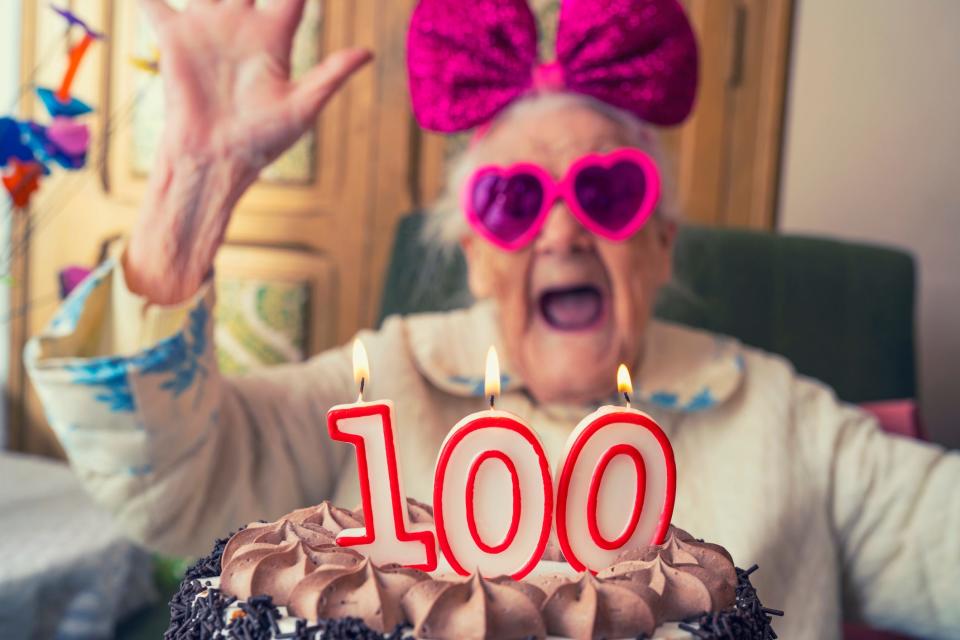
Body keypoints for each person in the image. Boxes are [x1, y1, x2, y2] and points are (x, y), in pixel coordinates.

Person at [24, 0, 959, 638]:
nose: (561, 227)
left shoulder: (784, 414)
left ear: (663, 241)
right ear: (473, 254)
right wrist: (188, 192)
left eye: (605, 189)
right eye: (515, 200)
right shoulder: (383, 375)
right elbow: (166, 483)